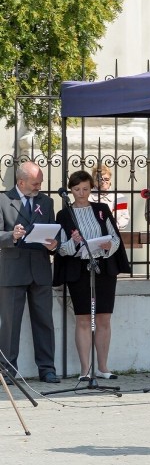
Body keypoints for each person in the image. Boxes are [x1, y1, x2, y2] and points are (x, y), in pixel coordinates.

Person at [54, 170, 130, 380]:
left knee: (104, 318)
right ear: (71, 190)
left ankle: (103, 367)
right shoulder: (64, 215)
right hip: (78, 269)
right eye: (77, 189)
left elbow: (115, 238)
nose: (81, 193)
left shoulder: (101, 209)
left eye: (85, 189)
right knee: (83, 319)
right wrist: (75, 243)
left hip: (103, 268)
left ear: (91, 188)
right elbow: (61, 249)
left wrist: (108, 246)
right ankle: (85, 369)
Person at [0, 162, 60, 384]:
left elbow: (53, 230)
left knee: (44, 321)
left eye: (41, 182)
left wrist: (54, 243)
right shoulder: (3, 200)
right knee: (10, 323)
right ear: (21, 181)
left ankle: (47, 369)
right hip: (12, 271)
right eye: (36, 183)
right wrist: (11, 236)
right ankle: (6, 371)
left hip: (40, 269)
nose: (39, 186)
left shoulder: (46, 201)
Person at [90, 164, 129, 230]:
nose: (103, 182)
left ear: (110, 180)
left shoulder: (120, 197)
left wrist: (114, 226)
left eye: (106, 179)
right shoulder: (88, 198)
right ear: (94, 181)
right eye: (99, 179)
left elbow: (125, 218)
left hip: (115, 234)